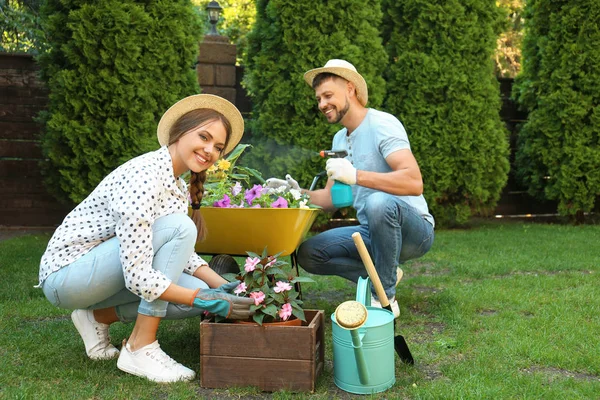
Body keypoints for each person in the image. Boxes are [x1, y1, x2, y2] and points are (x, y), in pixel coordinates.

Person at [37, 94, 254, 383]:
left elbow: (179, 255)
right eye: (204, 136)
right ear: (179, 131)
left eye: (217, 147)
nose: (209, 150)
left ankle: (96, 318)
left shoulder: (175, 182)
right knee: (185, 247)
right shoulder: (144, 175)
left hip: (103, 274)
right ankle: (141, 346)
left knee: (193, 291)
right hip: (67, 276)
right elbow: (138, 275)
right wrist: (204, 297)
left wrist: (223, 287)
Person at [268, 59, 435, 318]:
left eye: (328, 95)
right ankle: (384, 274)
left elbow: (414, 182)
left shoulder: (382, 124)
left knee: (378, 202)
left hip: (414, 231)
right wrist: (293, 193)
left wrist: (357, 175)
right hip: (373, 231)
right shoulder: (339, 139)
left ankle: (384, 298)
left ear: (350, 89)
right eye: (318, 99)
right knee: (311, 254)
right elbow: (330, 200)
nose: (322, 104)